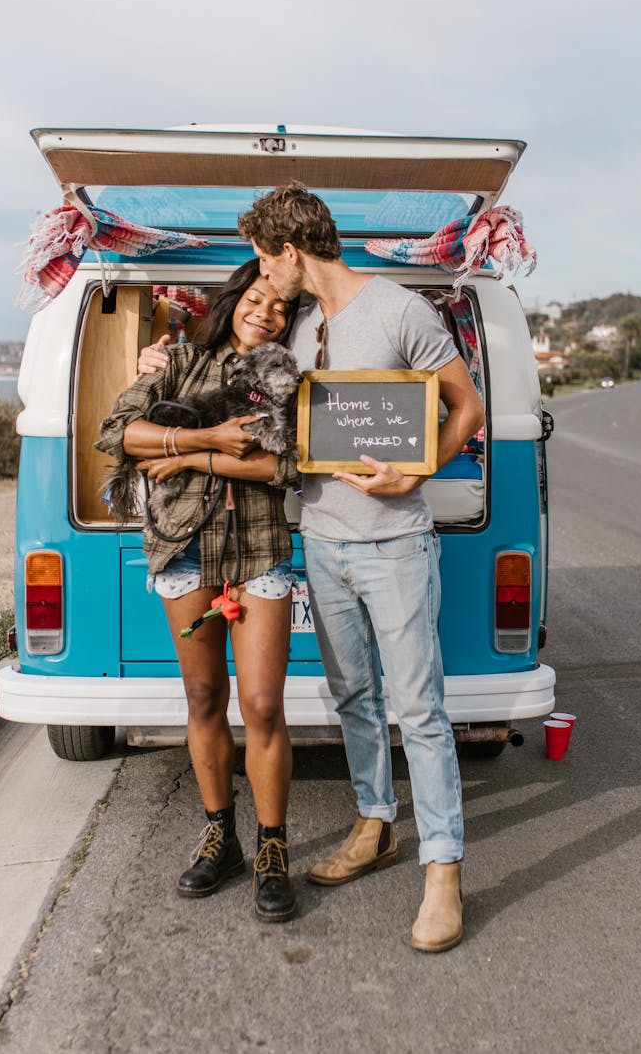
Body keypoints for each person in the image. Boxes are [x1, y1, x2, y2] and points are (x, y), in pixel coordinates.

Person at [140, 183, 485, 952]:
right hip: (321, 544)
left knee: (419, 708)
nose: (264, 272)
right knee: (354, 697)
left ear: (290, 251)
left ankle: (443, 871)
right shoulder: (297, 332)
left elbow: (466, 406)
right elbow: (235, 392)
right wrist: (161, 358)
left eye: (267, 257)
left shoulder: (401, 311)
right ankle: (374, 825)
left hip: (394, 542)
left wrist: (417, 471)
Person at [96, 259, 300, 922]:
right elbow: (118, 434)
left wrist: (185, 452)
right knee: (204, 696)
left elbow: (284, 464)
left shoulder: (283, 377)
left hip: (259, 550)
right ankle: (222, 833)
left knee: (264, 704)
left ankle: (273, 846)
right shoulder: (178, 361)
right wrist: (211, 436)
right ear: (234, 297)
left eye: (279, 307)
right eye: (257, 298)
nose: (266, 311)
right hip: (183, 547)